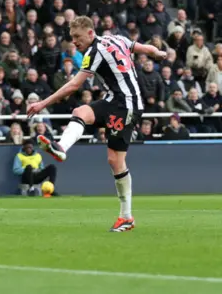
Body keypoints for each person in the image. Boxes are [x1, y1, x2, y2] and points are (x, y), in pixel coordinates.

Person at [27, 16, 166, 232]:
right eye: (72, 37)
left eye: (77, 37)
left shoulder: (94, 51)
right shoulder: (116, 39)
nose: (74, 42)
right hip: (114, 100)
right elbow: (141, 47)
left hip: (127, 105)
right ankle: (61, 148)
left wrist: (41, 104)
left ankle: (126, 217)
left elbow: (74, 85)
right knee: (81, 112)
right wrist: (156, 52)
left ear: (91, 33)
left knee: (116, 160)